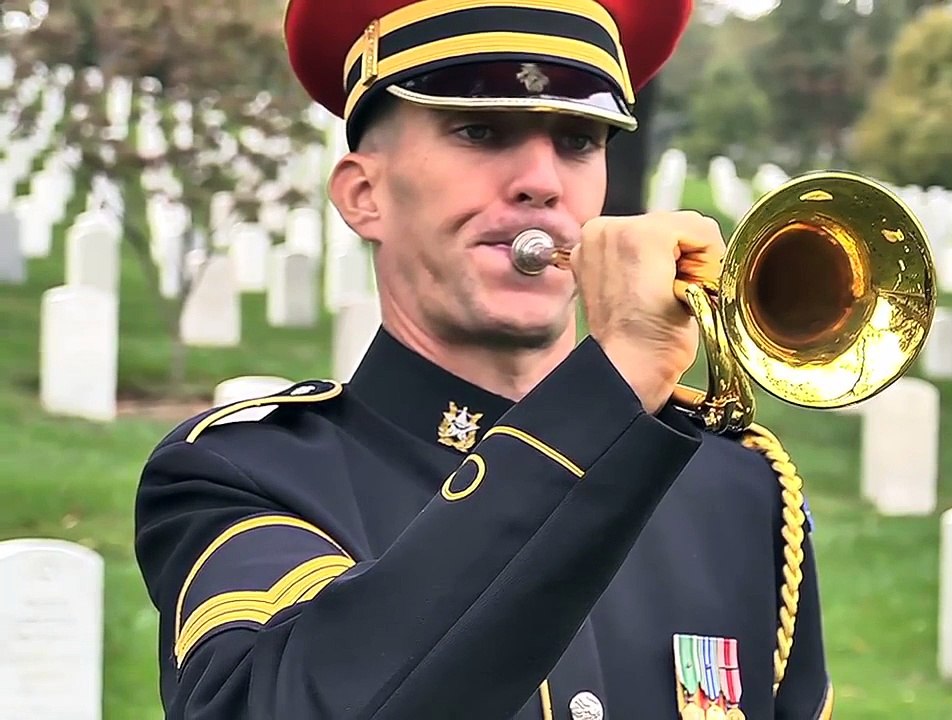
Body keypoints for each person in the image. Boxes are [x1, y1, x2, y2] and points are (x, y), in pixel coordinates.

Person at [133, 0, 832, 717]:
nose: (542, 181)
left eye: (579, 139)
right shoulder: (247, 473)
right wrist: (610, 388)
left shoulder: (742, 489)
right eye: (480, 130)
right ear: (363, 194)